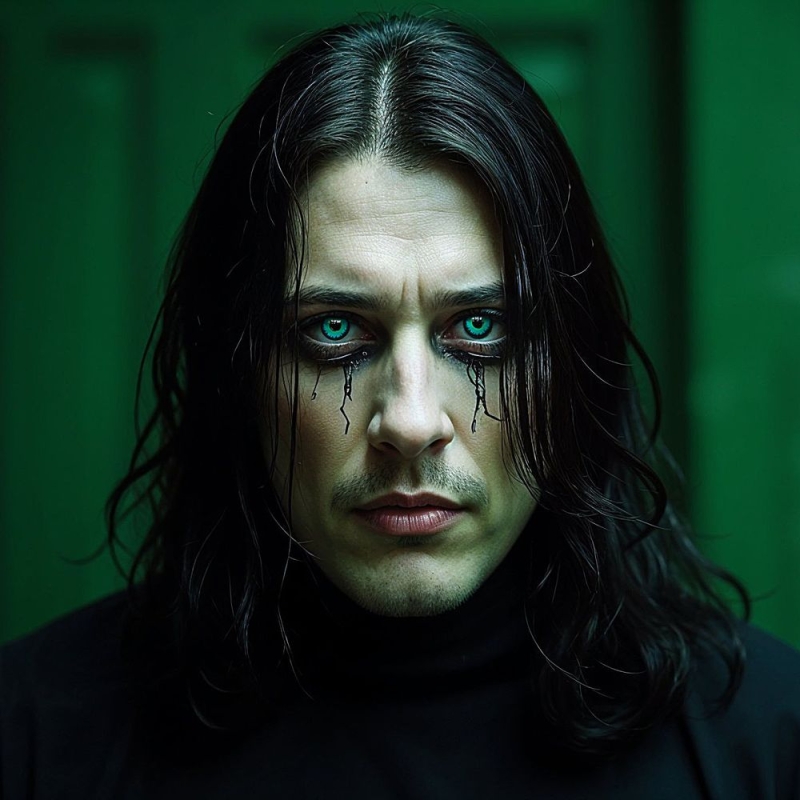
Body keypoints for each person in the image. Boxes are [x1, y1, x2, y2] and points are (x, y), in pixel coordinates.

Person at [1, 13, 799, 799]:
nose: (412, 424)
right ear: (238, 371)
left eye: (480, 327)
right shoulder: (36, 734)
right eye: (335, 329)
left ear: (569, 365)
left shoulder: (765, 739)